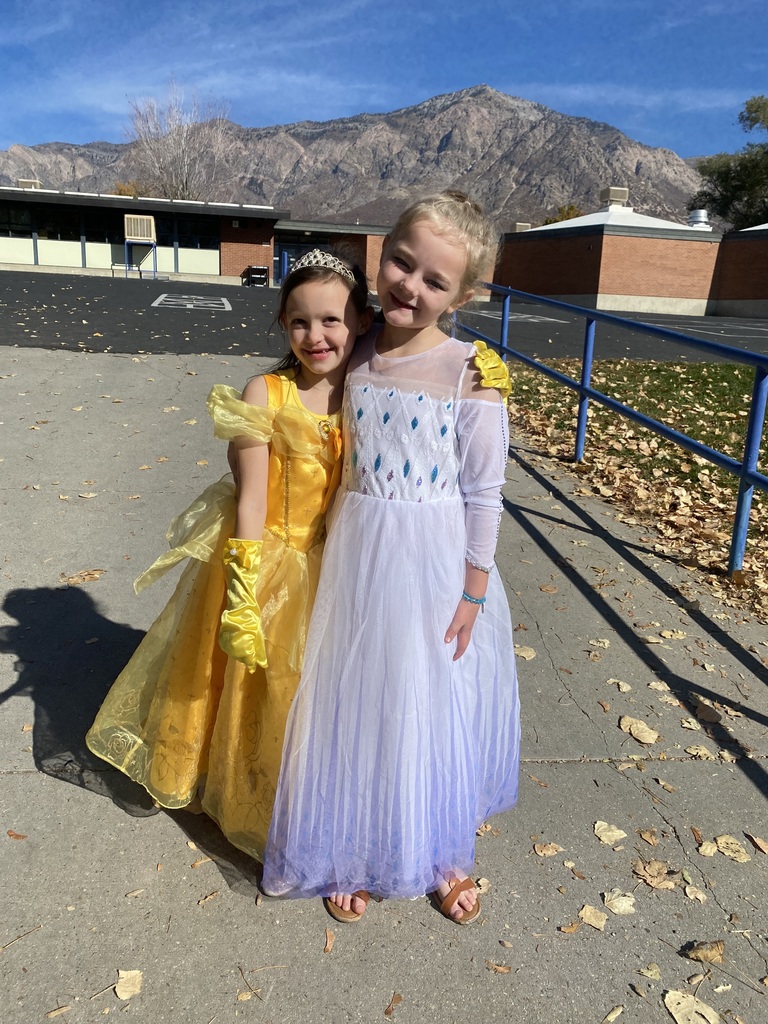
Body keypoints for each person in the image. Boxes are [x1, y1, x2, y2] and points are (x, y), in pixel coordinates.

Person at [262, 191, 521, 925]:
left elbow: (484, 493)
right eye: (402, 262)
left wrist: (472, 592)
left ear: (465, 295)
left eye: (435, 281)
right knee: (357, 700)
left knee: (428, 703)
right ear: (382, 251)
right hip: (357, 553)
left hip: (435, 566)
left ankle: (441, 851)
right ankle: (352, 845)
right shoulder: (359, 344)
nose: (410, 285)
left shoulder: (470, 372)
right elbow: (303, 395)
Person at [86, 249, 372, 862]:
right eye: (299, 321)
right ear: (281, 323)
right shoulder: (266, 393)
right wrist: (243, 592)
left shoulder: (367, 393)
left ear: (362, 323)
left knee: (317, 696)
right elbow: (251, 501)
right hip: (265, 563)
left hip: (337, 565)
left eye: (331, 320)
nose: (315, 336)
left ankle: (308, 797)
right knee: (259, 689)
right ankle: (257, 802)